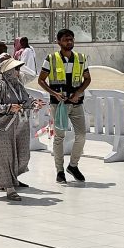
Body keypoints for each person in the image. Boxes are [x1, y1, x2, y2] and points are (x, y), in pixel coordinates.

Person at [38, 29, 91, 183]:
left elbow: (87, 79)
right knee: (59, 137)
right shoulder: (51, 58)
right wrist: (54, 94)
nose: (69, 42)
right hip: (58, 105)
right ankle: (60, 171)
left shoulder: (81, 58)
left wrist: (78, 93)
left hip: (76, 103)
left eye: (71, 39)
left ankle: (73, 166)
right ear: (59, 42)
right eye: (66, 40)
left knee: (81, 135)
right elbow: (41, 80)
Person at [0, 55, 32, 200]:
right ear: (9, 70)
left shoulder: (18, 84)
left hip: (20, 125)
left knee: (23, 155)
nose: (18, 71)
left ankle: (9, 180)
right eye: (16, 69)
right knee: (7, 157)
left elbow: (25, 100)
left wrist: (33, 104)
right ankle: (9, 188)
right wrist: (8, 107)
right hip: (3, 126)